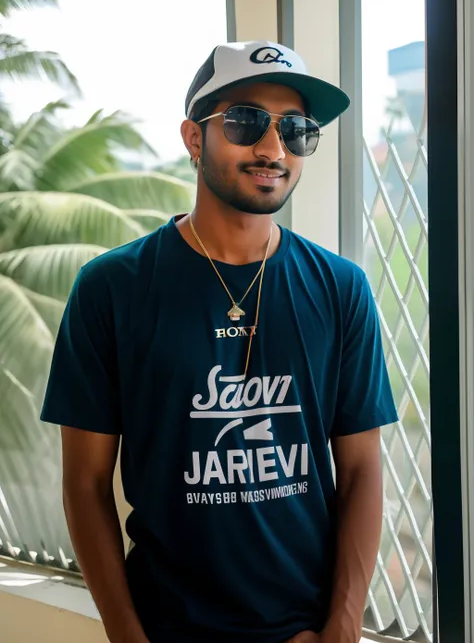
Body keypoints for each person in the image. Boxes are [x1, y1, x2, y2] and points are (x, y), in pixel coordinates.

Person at [40, 40, 398, 643]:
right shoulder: (111, 289)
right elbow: (84, 484)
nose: (271, 147)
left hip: (303, 631)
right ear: (193, 138)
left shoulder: (341, 289)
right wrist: (129, 636)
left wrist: (342, 628)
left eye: (296, 130)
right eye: (245, 121)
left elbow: (361, 468)